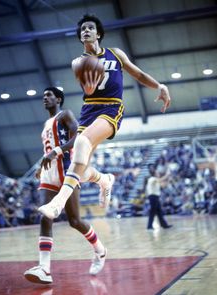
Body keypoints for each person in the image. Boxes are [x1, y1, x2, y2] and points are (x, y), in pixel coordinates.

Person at [38, 14, 171, 230]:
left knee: (81, 143)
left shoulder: (116, 54)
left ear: (98, 33)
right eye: (82, 30)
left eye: (90, 28)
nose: (86, 31)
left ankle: (57, 203)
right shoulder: (78, 62)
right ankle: (103, 180)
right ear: (80, 37)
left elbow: (137, 74)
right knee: (80, 166)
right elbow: (88, 90)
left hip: (111, 107)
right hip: (90, 109)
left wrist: (159, 86)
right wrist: (88, 89)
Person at [24, 87, 107, 284]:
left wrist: (57, 151)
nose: (45, 98)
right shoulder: (46, 123)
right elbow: (48, 149)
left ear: (58, 99)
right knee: (45, 216)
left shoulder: (65, 115)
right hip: (48, 174)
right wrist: (40, 165)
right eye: (43, 96)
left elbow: (78, 137)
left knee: (75, 221)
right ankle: (44, 268)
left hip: (67, 171)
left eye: (49, 95)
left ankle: (100, 250)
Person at [146, 164, 173, 230]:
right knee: (153, 212)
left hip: (155, 197)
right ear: (155, 174)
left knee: (159, 212)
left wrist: (168, 179)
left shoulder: (155, 180)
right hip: (153, 197)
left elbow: (163, 185)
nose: (158, 174)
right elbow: (160, 180)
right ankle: (149, 226)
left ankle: (164, 225)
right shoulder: (152, 179)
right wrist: (167, 175)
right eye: (157, 173)